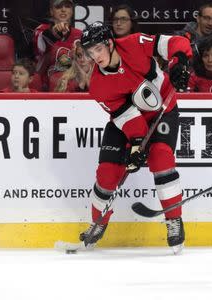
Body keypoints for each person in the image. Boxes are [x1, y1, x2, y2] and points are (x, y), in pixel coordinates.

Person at [79, 22, 192, 254]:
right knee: (108, 172)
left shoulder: (134, 44)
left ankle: (174, 220)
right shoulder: (98, 86)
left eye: (98, 49)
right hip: (128, 122)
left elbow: (176, 43)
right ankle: (97, 222)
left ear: (110, 43)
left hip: (163, 110)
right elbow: (127, 117)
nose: (95, 56)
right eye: (90, 52)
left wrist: (179, 62)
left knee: (161, 157)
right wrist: (137, 144)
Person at [33, 0, 82, 90]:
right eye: (59, 7)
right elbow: (42, 43)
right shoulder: (41, 30)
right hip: (45, 89)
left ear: (72, 11)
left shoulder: (79, 34)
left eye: (67, 6)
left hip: (73, 87)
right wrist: (55, 32)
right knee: (61, 53)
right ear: (51, 11)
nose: (63, 10)